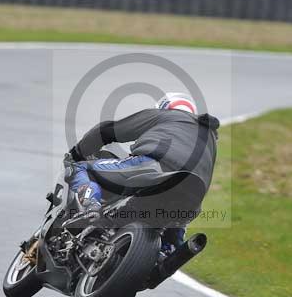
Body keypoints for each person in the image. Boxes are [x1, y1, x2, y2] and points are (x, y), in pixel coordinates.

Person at [67, 92, 220, 254]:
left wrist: (78, 152)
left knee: (80, 168)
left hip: (152, 168)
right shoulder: (210, 138)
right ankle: (170, 252)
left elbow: (108, 131)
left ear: (165, 108)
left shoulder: (167, 116)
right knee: (174, 231)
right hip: (193, 195)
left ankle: (91, 207)